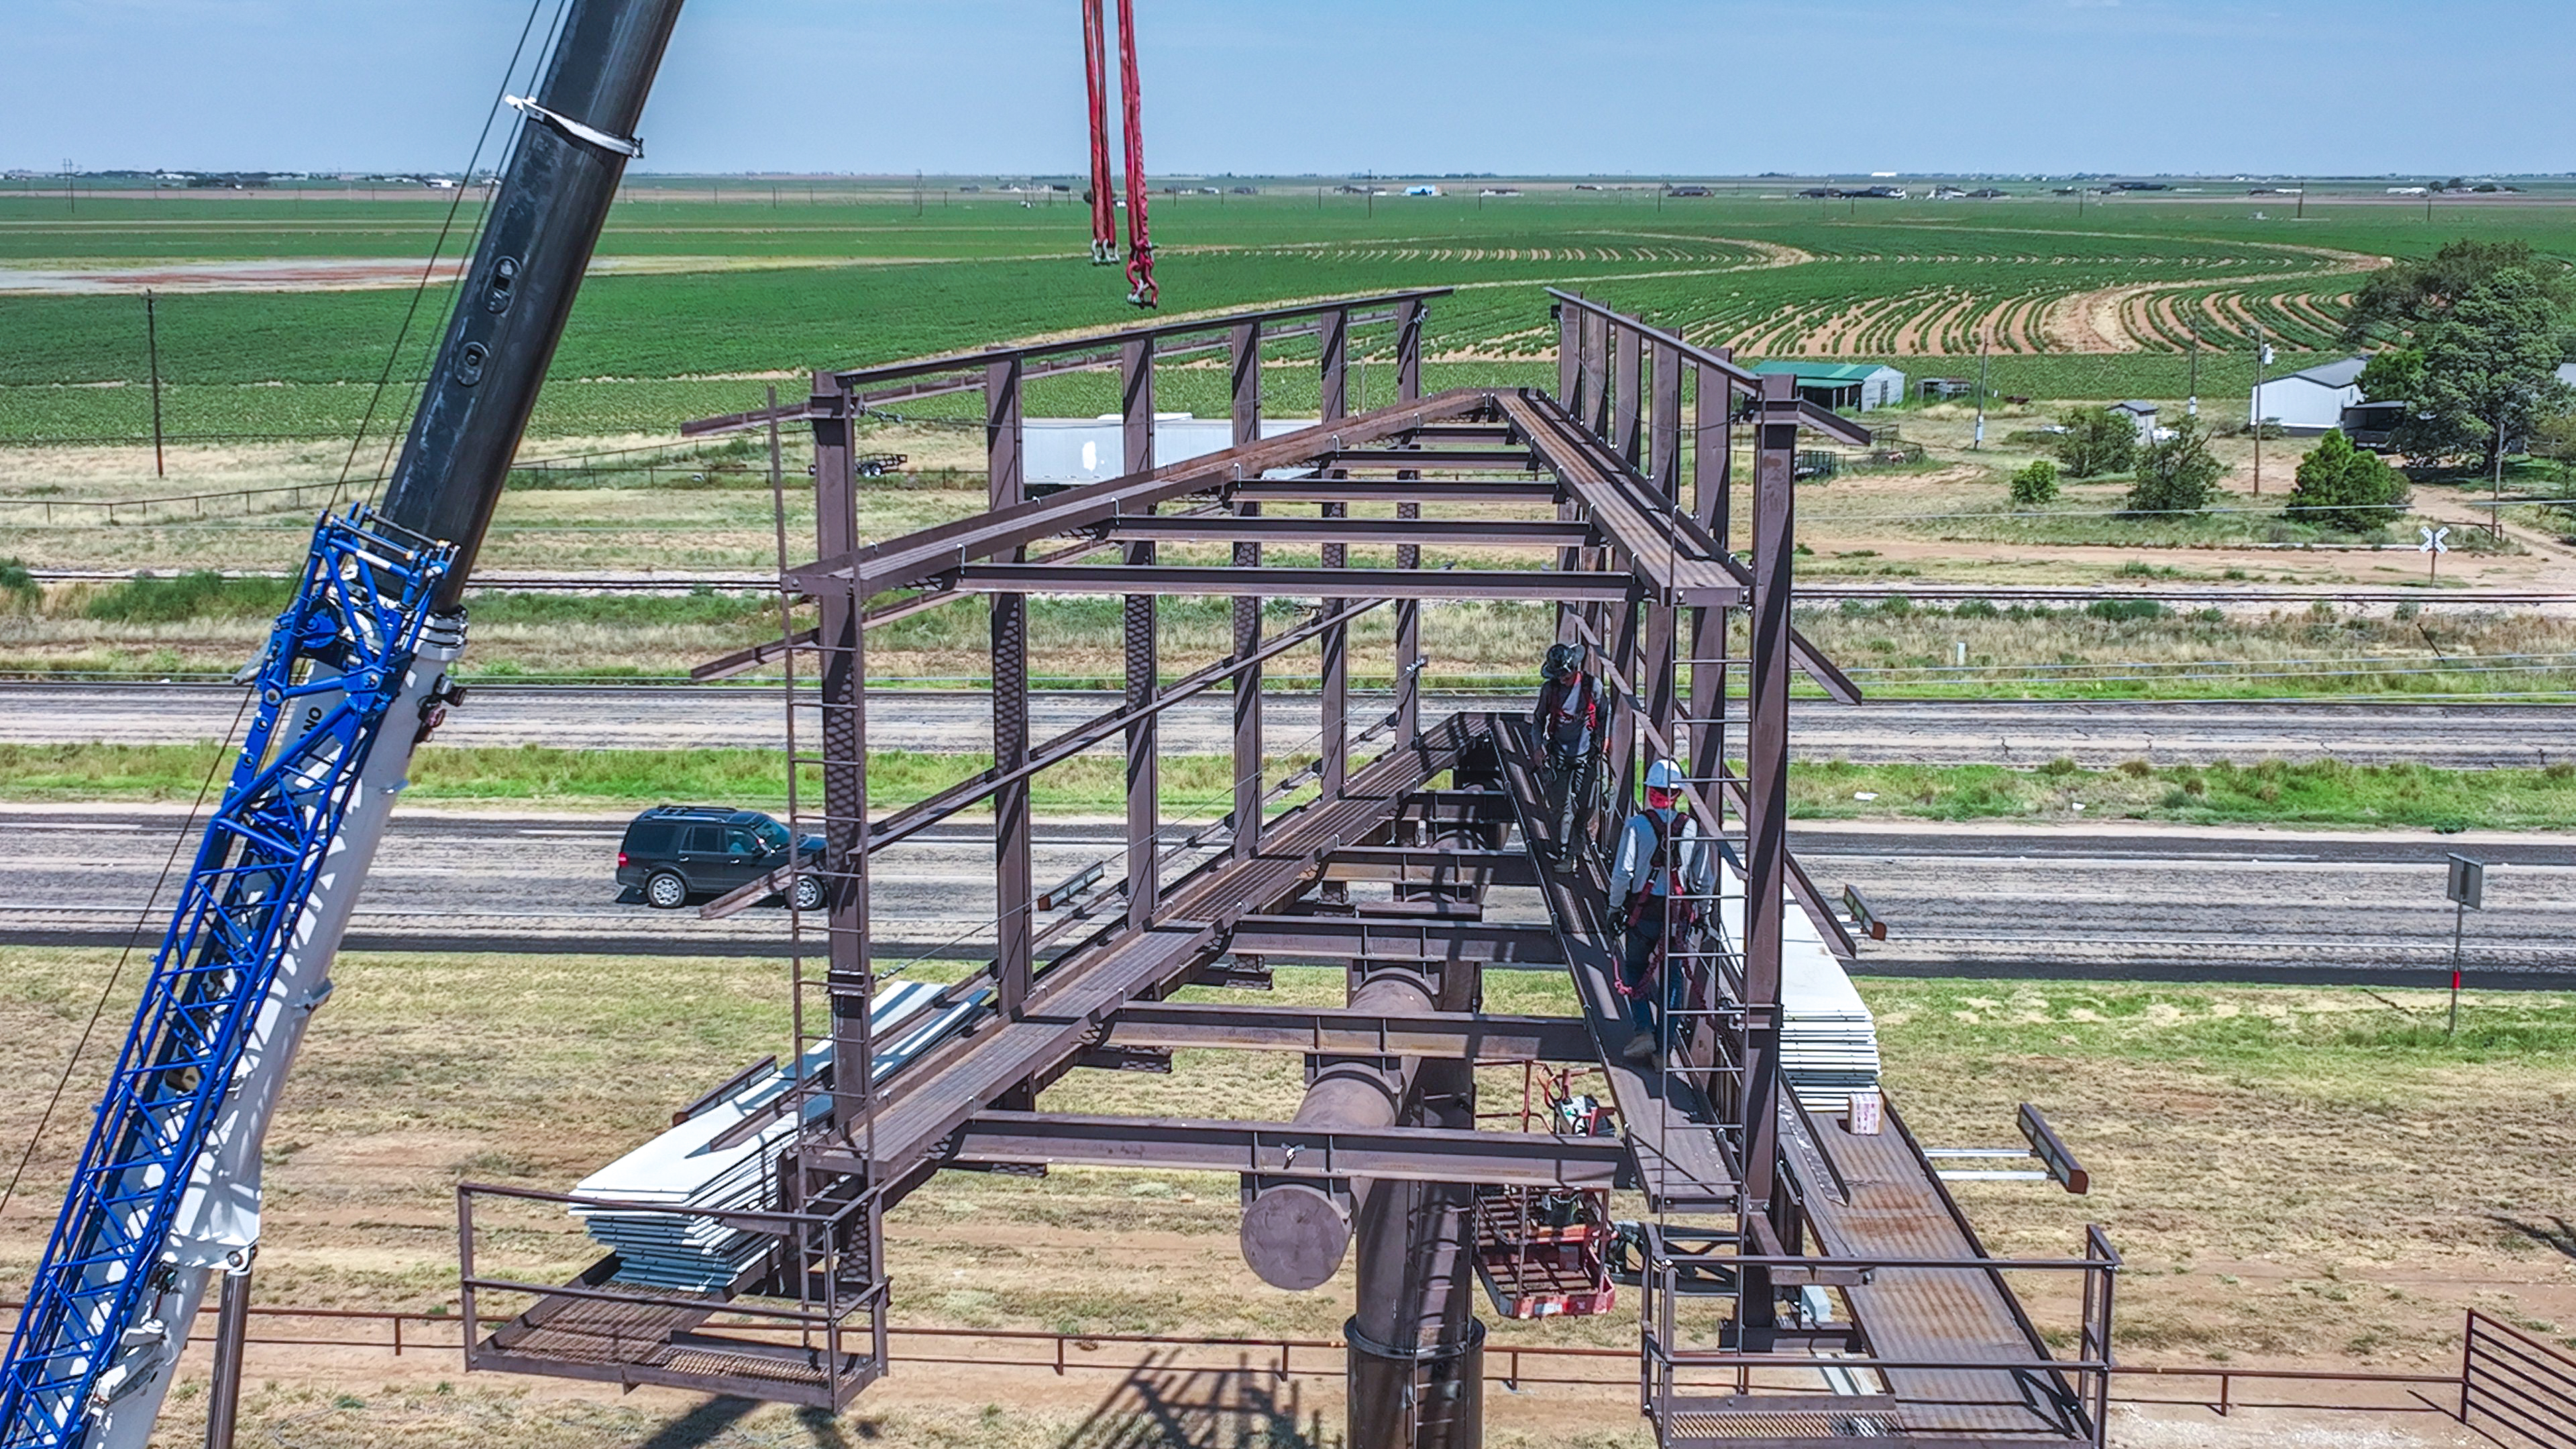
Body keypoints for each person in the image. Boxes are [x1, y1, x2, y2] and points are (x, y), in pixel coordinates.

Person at [1608, 759, 1718, 1063]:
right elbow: (1704, 880)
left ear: (1650, 791)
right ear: (1678, 795)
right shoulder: (1692, 828)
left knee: (1634, 969)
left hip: (1641, 914)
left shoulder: (1636, 825)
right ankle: (1663, 1049)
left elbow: (1622, 874)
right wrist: (1705, 914)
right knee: (1672, 980)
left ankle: (1643, 1029)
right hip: (1677, 917)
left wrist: (1614, 908)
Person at [1532, 643, 1606, 861]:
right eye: (1558, 676)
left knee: (1585, 804)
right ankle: (1565, 853)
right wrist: (1538, 747)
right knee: (1560, 807)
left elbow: (1604, 715)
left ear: (1575, 669)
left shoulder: (1593, 687)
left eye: (1564, 676)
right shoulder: (1550, 690)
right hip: (1558, 755)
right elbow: (1538, 720)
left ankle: (1579, 834)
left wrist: (1606, 740)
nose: (1561, 680)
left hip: (1586, 756)